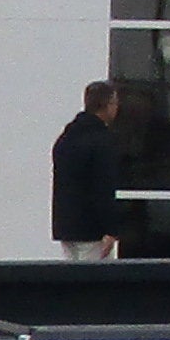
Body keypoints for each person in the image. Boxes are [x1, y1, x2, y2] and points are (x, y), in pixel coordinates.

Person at [51, 76, 127, 258]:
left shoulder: (67, 137)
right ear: (107, 105)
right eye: (115, 103)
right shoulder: (101, 140)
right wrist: (110, 229)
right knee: (95, 275)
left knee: (72, 274)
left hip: (67, 226)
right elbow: (103, 187)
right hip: (92, 230)